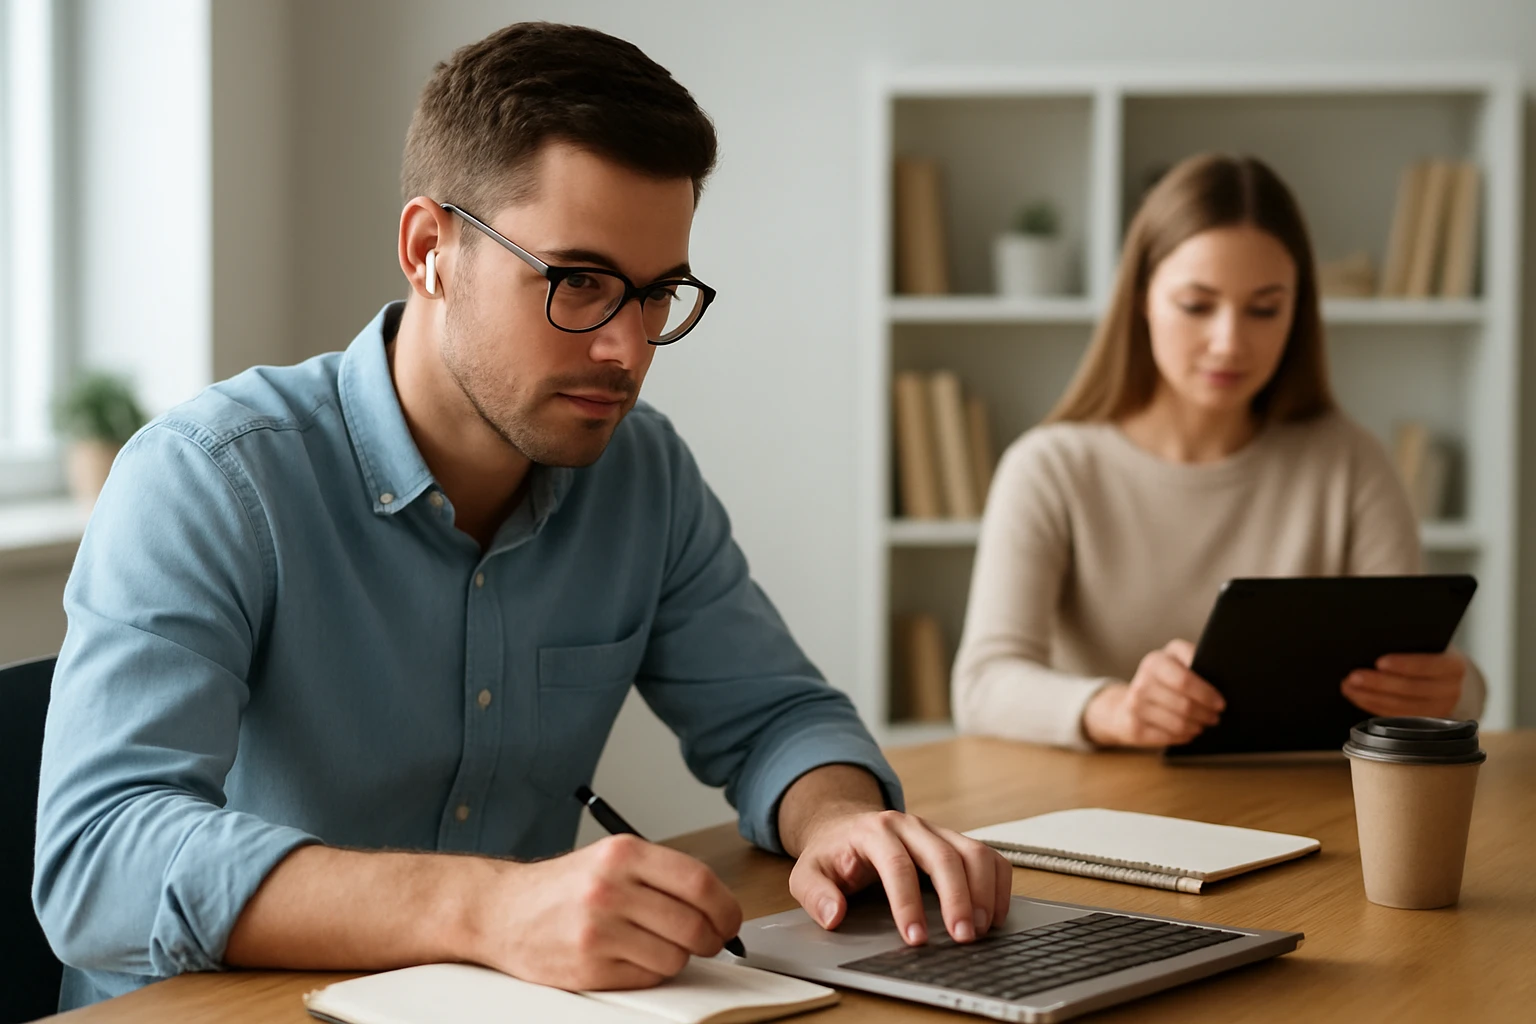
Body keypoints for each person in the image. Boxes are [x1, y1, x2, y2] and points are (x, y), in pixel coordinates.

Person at [34, 23, 1011, 1009]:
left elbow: (776, 716)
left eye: (657, 293)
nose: (629, 349)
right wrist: (487, 909)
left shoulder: (642, 472)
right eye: (579, 282)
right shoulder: (209, 478)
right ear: (430, 250)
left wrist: (837, 819)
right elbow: (98, 859)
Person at [952, 153, 1484, 751]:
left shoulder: (1352, 463)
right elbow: (981, 685)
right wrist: (1115, 709)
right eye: (1197, 305)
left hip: (1308, 804)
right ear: (1141, 298)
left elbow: (1448, 681)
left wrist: (1451, 691)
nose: (1229, 342)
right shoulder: (1050, 468)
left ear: (1297, 312)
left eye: (1264, 308)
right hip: (1102, 813)